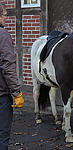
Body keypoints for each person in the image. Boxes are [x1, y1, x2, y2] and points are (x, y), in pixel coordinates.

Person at [0, 2, 24, 149]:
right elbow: (8, 66)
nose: (6, 18)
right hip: (1, 96)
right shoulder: (2, 35)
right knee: (2, 136)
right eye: (4, 15)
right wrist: (16, 93)